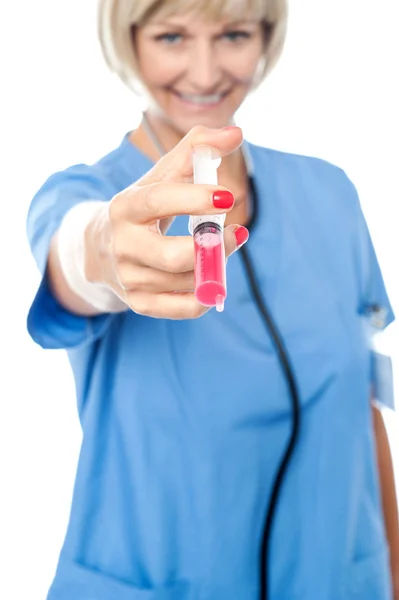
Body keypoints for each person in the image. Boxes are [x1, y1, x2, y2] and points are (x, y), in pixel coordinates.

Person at [26, 0, 398, 598]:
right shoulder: (89, 193)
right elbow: (78, 247)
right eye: (171, 37)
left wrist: (392, 571)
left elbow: (363, 401)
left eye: (233, 34)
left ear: (266, 39)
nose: (204, 74)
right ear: (130, 40)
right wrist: (102, 252)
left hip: (337, 578)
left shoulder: (330, 194)